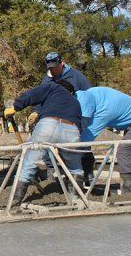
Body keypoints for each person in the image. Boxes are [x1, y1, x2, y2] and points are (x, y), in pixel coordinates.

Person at [3, 80, 83, 207]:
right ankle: (77, 200)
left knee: (28, 164)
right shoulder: (76, 102)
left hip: (49, 125)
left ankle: (15, 202)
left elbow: (35, 94)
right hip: (72, 130)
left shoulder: (53, 87)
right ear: (72, 92)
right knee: (75, 168)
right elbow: (80, 125)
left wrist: (16, 107)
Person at [75, 87, 131, 194]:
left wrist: (65, 148)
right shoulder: (89, 94)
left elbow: (85, 140)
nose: (85, 120)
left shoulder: (103, 112)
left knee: (125, 151)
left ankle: (128, 194)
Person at [32, 52, 93, 182]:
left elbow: (90, 94)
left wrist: (87, 116)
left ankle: (87, 175)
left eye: (55, 66)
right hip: (54, 116)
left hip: (77, 116)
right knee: (49, 145)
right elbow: (41, 98)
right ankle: (54, 175)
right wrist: (36, 111)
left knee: (82, 145)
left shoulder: (76, 76)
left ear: (62, 63)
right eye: (49, 67)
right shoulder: (46, 80)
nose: (52, 70)